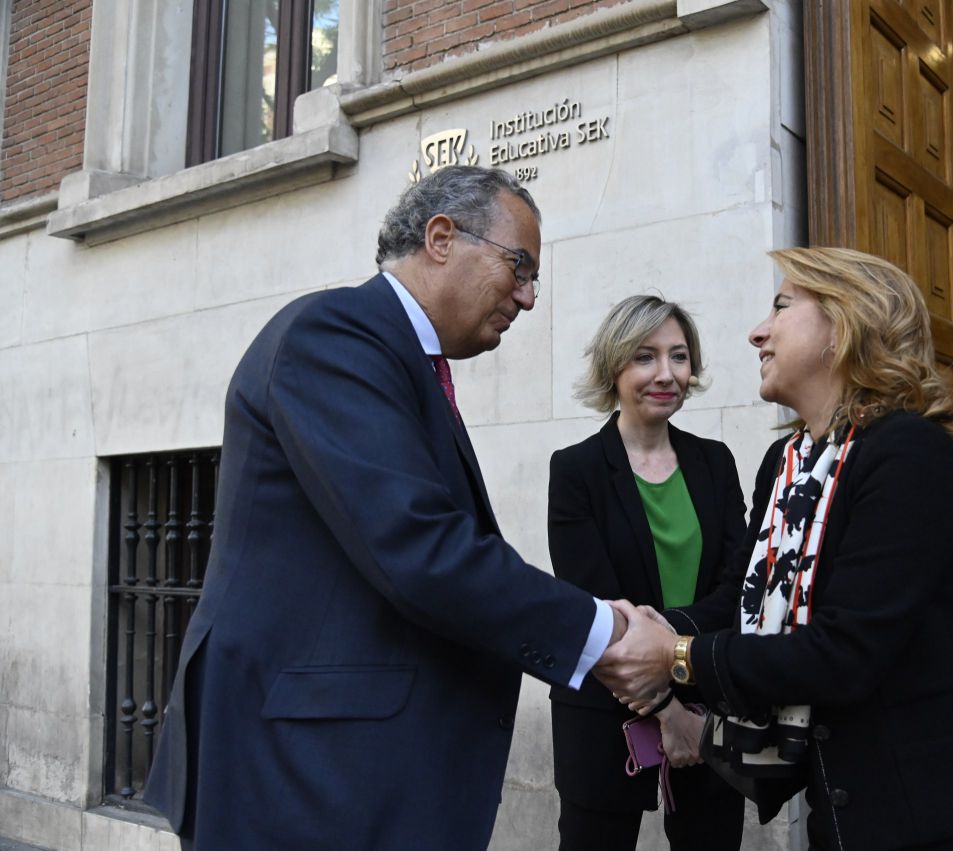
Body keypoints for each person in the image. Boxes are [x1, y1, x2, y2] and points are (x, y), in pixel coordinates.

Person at [145, 166, 633, 850]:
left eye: (534, 280)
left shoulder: (400, 358)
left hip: (347, 773)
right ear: (441, 237)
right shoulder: (334, 337)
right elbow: (419, 548)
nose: (526, 298)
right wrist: (600, 632)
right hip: (301, 779)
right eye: (519, 267)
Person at [595, 247, 953, 850]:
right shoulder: (787, 465)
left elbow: (845, 652)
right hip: (848, 810)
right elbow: (739, 597)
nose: (758, 331)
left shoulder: (908, 455)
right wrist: (643, 629)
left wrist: (675, 656)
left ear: (844, 326)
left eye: (782, 307)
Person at [547, 295, 746, 851]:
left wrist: (671, 651)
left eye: (679, 357)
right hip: (606, 714)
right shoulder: (575, 470)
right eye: (644, 357)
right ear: (615, 367)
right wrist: (667, 711)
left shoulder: (716, 461)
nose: (666, 374)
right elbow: (598, 612)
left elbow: (739, 587)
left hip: (710, 701)